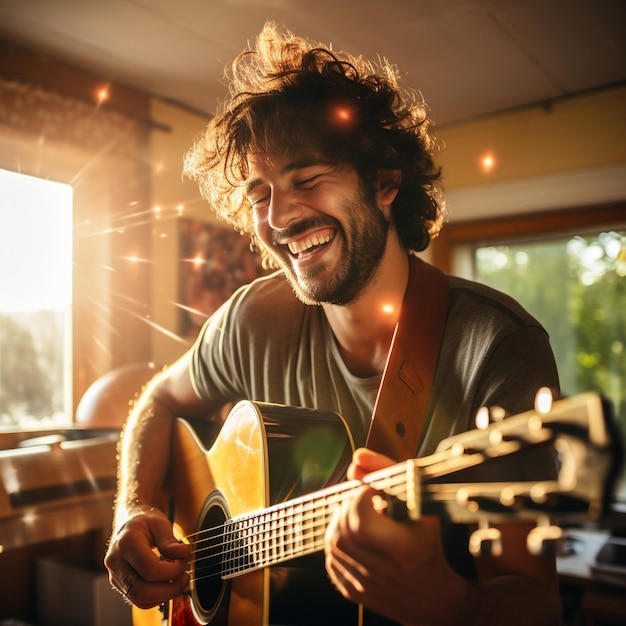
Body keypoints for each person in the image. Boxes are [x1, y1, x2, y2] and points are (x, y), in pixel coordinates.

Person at [104, 21, 561, 625]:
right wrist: (132, 509)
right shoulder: (252, 319)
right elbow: (158, 400)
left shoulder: (498, 349)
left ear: (384, 183)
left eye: (307, 178)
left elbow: (535, 603)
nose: (281, 216)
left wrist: (449, 603)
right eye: (260, 193)